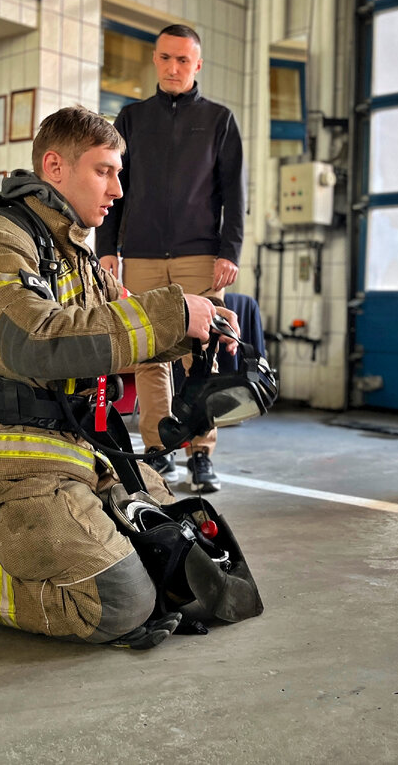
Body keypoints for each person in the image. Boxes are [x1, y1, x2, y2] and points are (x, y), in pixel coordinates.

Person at [0, 106, 239, 649]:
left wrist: (198, 323)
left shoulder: (74, 251)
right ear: (54, 166)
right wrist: (171, 313)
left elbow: (110, 324)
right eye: (104, 171)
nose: (118, 190)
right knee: (119, 602)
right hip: (12, 464)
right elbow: (34, 342)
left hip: (81, 451)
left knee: (192, 562)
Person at [96, 24, 244, 495]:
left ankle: (201, 451)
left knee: (201, 356)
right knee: (148, 354)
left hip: (200, 254)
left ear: (197, 64)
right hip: (138, 253)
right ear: (155, 60)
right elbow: (113, 188)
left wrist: (230, 250)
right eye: (166, 58)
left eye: (183, 60)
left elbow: (234, 193)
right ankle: (160, 450)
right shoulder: (132, 119)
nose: (174, 68)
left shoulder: (219, 119)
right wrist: (107, 249)